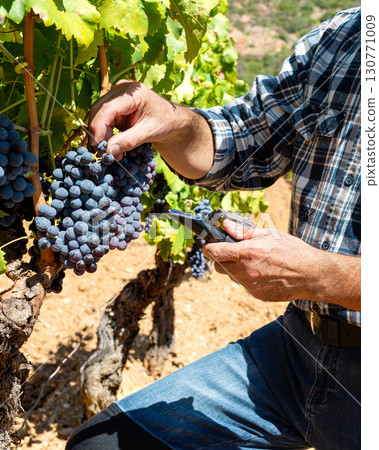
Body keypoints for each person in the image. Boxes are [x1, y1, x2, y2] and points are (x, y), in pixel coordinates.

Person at [67, 7, 361, 450]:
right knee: (98, 446)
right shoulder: (349, 36)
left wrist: (326, 277)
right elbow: (244, 138)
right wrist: (172, 121)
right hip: (297, 349)